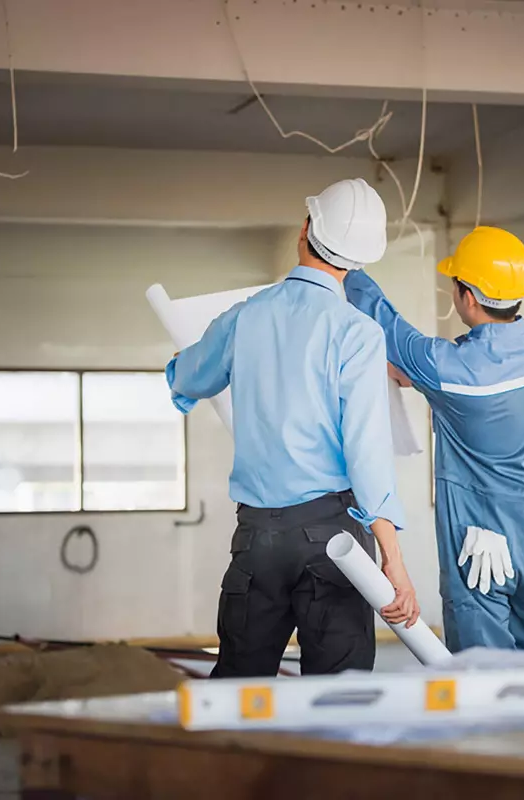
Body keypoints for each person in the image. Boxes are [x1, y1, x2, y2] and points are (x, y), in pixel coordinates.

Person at [166, 178, 419, 677]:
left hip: (257, 536)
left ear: (305, 229)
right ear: (359, 261)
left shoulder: (245, 318)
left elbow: (188, 377)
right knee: (337, 698)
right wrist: (394, 561)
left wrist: (180, 365)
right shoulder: (358, 334)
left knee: (237, 688)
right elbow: (367, 454)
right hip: (334, 540)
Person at [344, 226, 524, 652]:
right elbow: (476, 369)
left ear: (468, 296)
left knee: (482, 676)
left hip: (480, 539)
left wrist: (348, 268)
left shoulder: (447, 368)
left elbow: (388, 326)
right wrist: (425, 380)